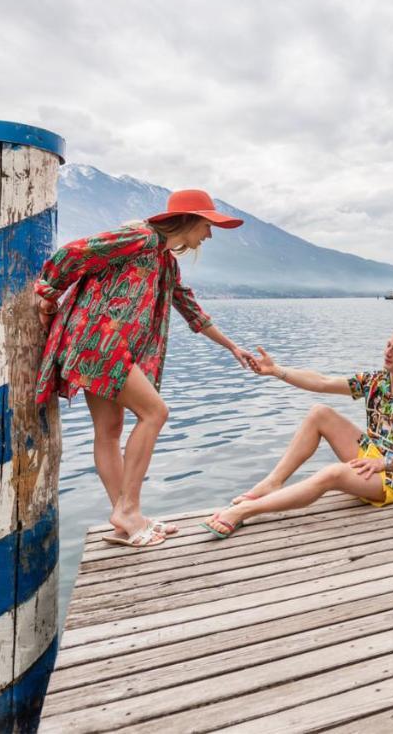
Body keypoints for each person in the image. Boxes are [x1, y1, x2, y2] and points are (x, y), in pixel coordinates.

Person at [34, 188, 256, 548]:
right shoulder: (138, 237)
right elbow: (73, 252)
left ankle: (127, 519)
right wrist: (47, 292)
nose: (210, 234)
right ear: (190, 220)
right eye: (208, 225)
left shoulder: (166, 260)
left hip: (102, 348)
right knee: (155, 412)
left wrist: (233, 347)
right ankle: (128, 510)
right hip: (98, 344)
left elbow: (189, 308)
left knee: (109, 429)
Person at [201, 325, 393, 538]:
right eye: (387, 345)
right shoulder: (378, 381)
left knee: (332, 474)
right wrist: (277, 371)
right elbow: (322, 382)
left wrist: (384, 463)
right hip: (373, 454)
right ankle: (272, 483)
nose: (387, 352)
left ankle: (243, 511)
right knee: (320, 413)